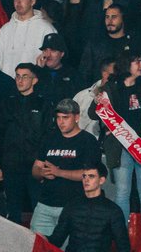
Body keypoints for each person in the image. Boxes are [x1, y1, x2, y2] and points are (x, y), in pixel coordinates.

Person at [30, 98, 102, 237]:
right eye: (58, 118)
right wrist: (42, 173)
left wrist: (59, 172)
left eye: (65, 118)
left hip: (74, 206)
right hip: (45, 205)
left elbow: (90, 175)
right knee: (37, 245)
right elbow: (35, 168)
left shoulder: (87, 141)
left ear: (76, 117)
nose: (61, 122)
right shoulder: (49, 139)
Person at [103, 51, 141, 232]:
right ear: (127, 64)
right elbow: (93, 113)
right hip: (122, 147)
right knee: (122, 192)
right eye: (137, 61)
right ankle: (121, 236)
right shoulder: (112, 86)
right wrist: (98, 104)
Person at [0, 63, 50, 224]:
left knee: (39, 210)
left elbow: (48, 135)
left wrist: (41, 160)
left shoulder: (43, 104)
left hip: (35, 166)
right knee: (12, 211)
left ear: (35, 80)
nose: (20, 80)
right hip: (11, 165)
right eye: (17, 76)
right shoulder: (7, 103)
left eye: (25, 76)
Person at [48, 164, 131, 252]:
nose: (86, 180)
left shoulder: (113, 210)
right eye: (84, 176)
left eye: (91, 176)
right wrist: (38, 238)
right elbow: (57, 239)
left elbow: (123, 246)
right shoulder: (72, 205)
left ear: (101, 180)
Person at [0, 0, 57, 77]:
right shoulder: (5, 30)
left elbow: (52, 61)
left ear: (32, 2)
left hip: (34, 85)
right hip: (6, 85)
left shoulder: (46, 29)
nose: (18, 2)